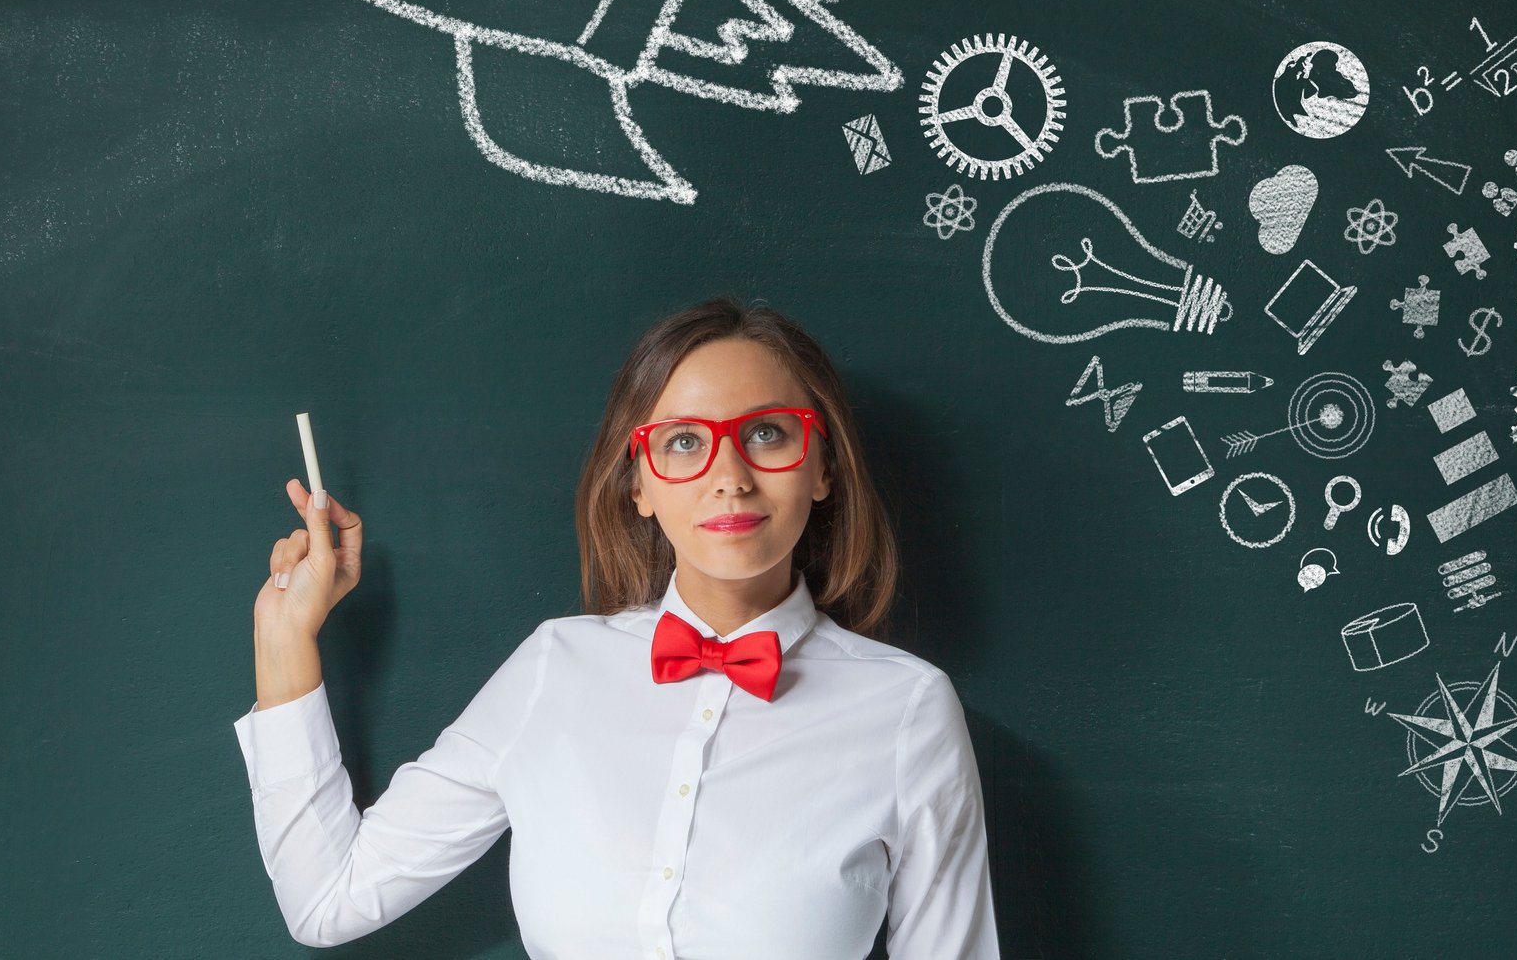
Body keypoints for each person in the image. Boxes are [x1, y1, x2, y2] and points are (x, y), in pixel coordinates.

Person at [237, 297, 1000, 956]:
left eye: (767, 432)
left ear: (822, 467)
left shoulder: (906, 711)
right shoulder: (554, 668)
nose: (729, 473)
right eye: (683, 442)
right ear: (638, 484)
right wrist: (282, 638)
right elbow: (327, 898)